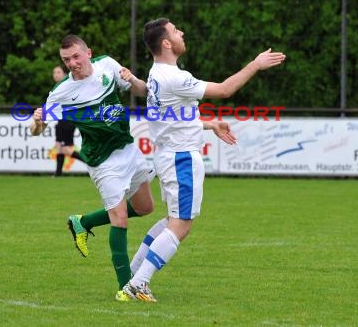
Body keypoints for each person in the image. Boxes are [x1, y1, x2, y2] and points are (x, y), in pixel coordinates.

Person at [122, 18, 286, 302]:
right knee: (181, 225)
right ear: (166, 43)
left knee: (173, 220)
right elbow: (224, 90)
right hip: (182, 157)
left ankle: (134, 276)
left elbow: (174, 116)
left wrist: (209, 125)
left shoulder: (157, 73)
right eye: (175, 31)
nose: (181, 32)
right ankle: (139, 283)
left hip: (169, 155)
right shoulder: (174, 77)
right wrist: (255, 64)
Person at [30, 34, 155, 301]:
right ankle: (126, 289)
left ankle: (82, 222)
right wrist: (37, 121)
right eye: (66, 60)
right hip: (103, 161)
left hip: (128, 148)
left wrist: (132, 79)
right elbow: (35, 130)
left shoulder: (107, 65)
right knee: (119, 218)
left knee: (146, 208)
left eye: (76, 56)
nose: (72, 63)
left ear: (89, 53)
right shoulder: (62, 92)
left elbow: (142, 91)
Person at [50, 65, 83, 176]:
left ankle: (91, 163)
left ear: (64, 74)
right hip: (61, 121)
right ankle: (58, 174)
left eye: (58, 72)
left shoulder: (67, 86)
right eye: (54, 72)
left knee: (66, 150)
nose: (56, 74)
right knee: (58, 146)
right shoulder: (56, 87)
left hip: (68, 120)